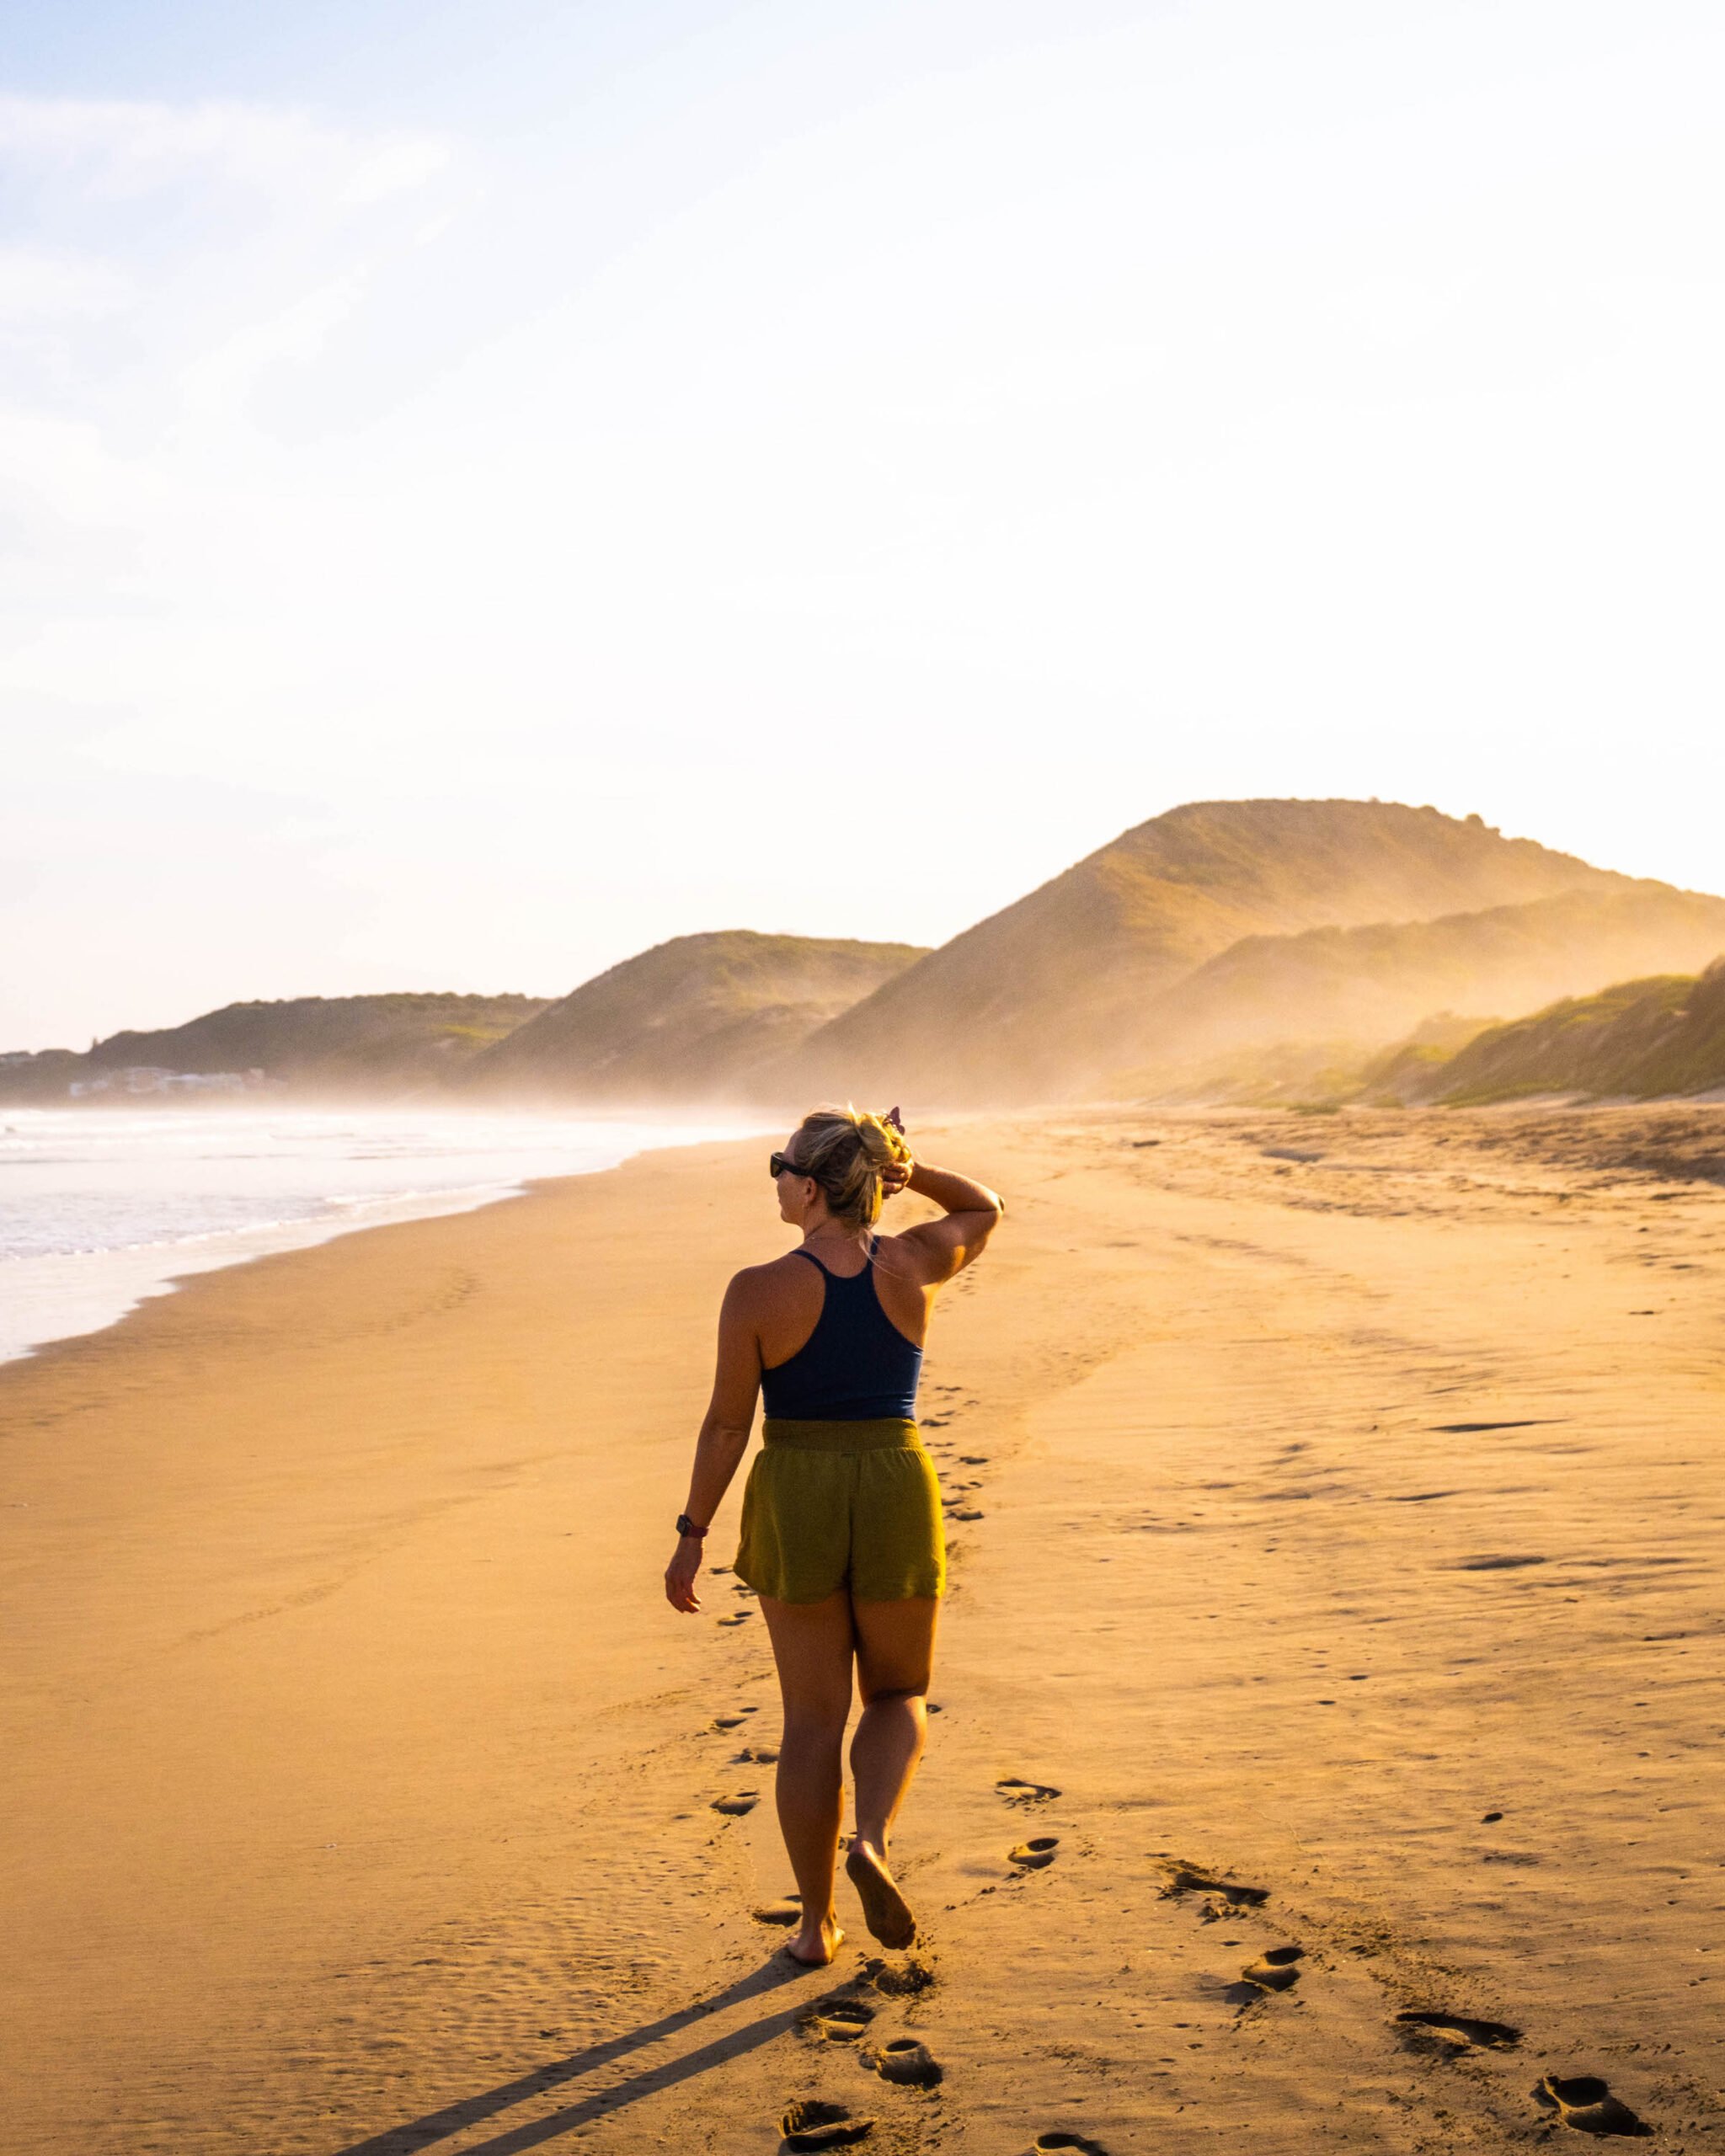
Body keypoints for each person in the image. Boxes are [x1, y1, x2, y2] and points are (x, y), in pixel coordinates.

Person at [665, 1105, 1004, 1967]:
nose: (774, 1178)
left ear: (808, 1187)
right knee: (896, 1694)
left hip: (799, 1485)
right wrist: (908, 1168)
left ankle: (814, 1924)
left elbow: (723, 1429)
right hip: (894, 1480)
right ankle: (872, 1842)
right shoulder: (915, 1261)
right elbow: (983, 1207)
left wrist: (692, 1530)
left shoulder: (756, 1289)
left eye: (778, 1165)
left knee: (812, 1720)